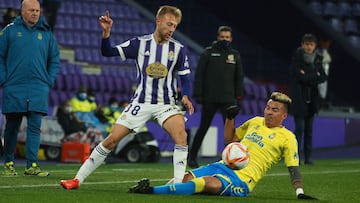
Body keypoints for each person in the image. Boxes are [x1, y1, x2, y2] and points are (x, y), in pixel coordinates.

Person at [60, 5, 194, 189]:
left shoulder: (178, 49)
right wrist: (106, 32)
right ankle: (77, 179)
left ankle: (178, 185)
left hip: (166, 104)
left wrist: (185, 96)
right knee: (112, 140)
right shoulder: (140, 44)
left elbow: (185, 78)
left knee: (181, 135)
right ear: (158, 21)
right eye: (169, 24)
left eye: (175, 26)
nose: (172, 29)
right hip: (140, 102)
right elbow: (108, 52)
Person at [129, 92, 318, 200]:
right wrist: (229, 118)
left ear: (284, 115)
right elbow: (230, 140)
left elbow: (293, 168)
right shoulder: (255, 121)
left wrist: (299, 193)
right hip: (223, 165)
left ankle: (150, 190)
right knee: (183, 178)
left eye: (274, 110)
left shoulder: (287, 138)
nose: (268, 112)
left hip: (242, 180)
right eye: (268, 108)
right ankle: (159, 189)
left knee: (207, 184)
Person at [0, 0, 60, 176]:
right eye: (32, 10)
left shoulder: (47, 33)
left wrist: (48, 80)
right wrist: (4, 79)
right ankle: (9, 163)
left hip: (38, 88)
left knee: (35, 126)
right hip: (14, 86)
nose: (35, 13)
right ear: (23, 11)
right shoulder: (9, 31)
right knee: (12, 126)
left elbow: (54, 59)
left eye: (37, 10)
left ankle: (32, 165)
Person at [189, 25, 244, 168]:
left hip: (228, 99)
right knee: (203, 128)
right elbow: (199, 75)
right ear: (217, 37)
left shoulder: (235, 55)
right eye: (222, 37)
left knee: (231, 132)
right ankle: (192, 157)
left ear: (231, 39)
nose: (225, 39)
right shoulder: (208, 53)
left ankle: (232, 160)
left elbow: (239, 77)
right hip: (210, 98)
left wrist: (239, 97)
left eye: (227, 37)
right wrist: (198, 94)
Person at [289, 33, 327, 165]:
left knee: (309, 131)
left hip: (312, 100)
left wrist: (308, 77)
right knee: (299, 129)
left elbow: (323, 77)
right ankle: (295, 156)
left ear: (315, 46)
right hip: (299, 99)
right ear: (302, 45)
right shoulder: (296, 59)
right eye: (306, 44)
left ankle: (308, 157)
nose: (309, 47)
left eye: (311, 44)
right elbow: (300, 77)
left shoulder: (318, 59)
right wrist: (313, 76)